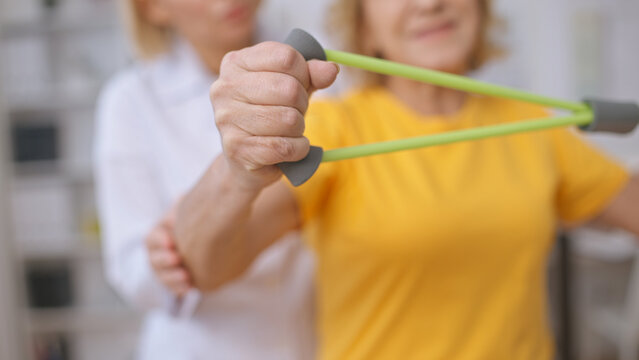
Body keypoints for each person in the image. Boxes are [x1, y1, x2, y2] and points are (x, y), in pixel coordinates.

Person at [173, 0, 639, 359]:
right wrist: (235, 170)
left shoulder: (533, 125)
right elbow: (207, 267)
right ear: (365, 24)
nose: (428, 2)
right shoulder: (335, 130)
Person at [94, 0, 316, 359]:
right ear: (152, 8)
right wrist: (161, 262)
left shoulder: (321, 67)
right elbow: (131, 269)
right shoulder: (130, 101)